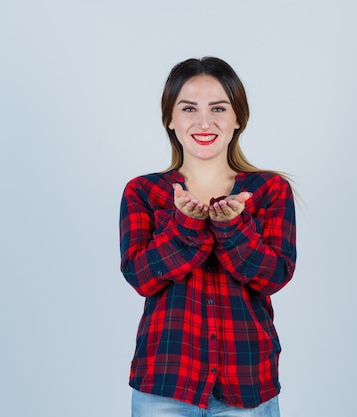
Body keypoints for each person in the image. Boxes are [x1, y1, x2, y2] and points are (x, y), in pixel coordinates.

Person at [119, 57, 297, 417]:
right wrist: (184, 224)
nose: (204, 121)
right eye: (189, 108)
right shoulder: (143, 192)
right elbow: (140, 276)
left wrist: (231, 227)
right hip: (165, 387)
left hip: (248, 387)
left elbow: (275, 276)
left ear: (237, 119)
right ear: (170, 118)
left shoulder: (270, 190)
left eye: (218, 108)